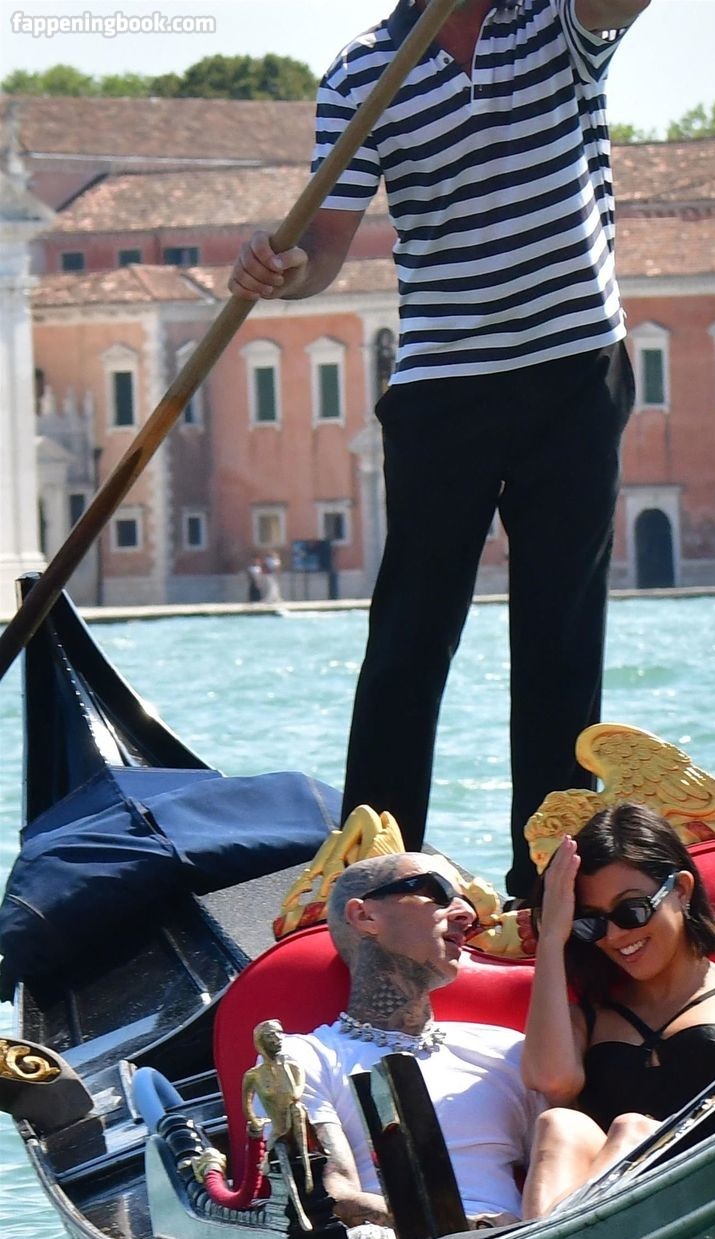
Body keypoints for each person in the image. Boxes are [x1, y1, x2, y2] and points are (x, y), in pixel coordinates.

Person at [228, 0, 650, 900]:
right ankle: (375, 881)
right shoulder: (363, 73)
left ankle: (548, 881)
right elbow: (325, 247)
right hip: (442, 382)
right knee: (409, 639)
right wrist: (282, 272)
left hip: (575, 370)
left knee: (560, 637)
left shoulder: (554, 22)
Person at [519, 803, 715, 1217]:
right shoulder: (588, 1018)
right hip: (615, 1216)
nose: (615, 935)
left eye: (631, 910)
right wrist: (551, 939)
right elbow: (552, 1082)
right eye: (592, 922)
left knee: (632, 1129)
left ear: (681, 890)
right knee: (559, 1124)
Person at [279, 850, 543, 1234]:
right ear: (365, 916)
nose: (467, 914)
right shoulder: (301, 1060)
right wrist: (464, 1229)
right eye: (437, 892)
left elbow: (565, 1165)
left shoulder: (508, 1051)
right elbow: (332, 1195)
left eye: (466, 901)